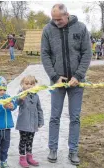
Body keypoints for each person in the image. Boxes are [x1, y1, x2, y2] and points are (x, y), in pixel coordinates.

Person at [41, 4, 92, 166]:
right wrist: (54, 76)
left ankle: (73, 151)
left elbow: (87, 53)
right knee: (54, 117)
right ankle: (53, 149)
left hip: (77, 83)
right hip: (57, 83)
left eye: (59, 19)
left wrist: (78, 75)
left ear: (67, 15)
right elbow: (45, 54)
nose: (56, 22)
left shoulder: (81, 28)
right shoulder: (48, 30)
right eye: (53, 19)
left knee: (75, 117)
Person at [16, 76, 44, 168]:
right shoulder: (21, 94)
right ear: (22, 84)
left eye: (31, 84)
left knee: (30, 140)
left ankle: (29, 156)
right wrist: (21, 98)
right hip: (24, 123)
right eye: (26, 84)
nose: (29, 86)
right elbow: (17, 103)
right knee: (23, 140)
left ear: (34, 85)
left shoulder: (36, 95)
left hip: (33, 123)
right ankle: (22, 157)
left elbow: (39, 109)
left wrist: (40, 121)